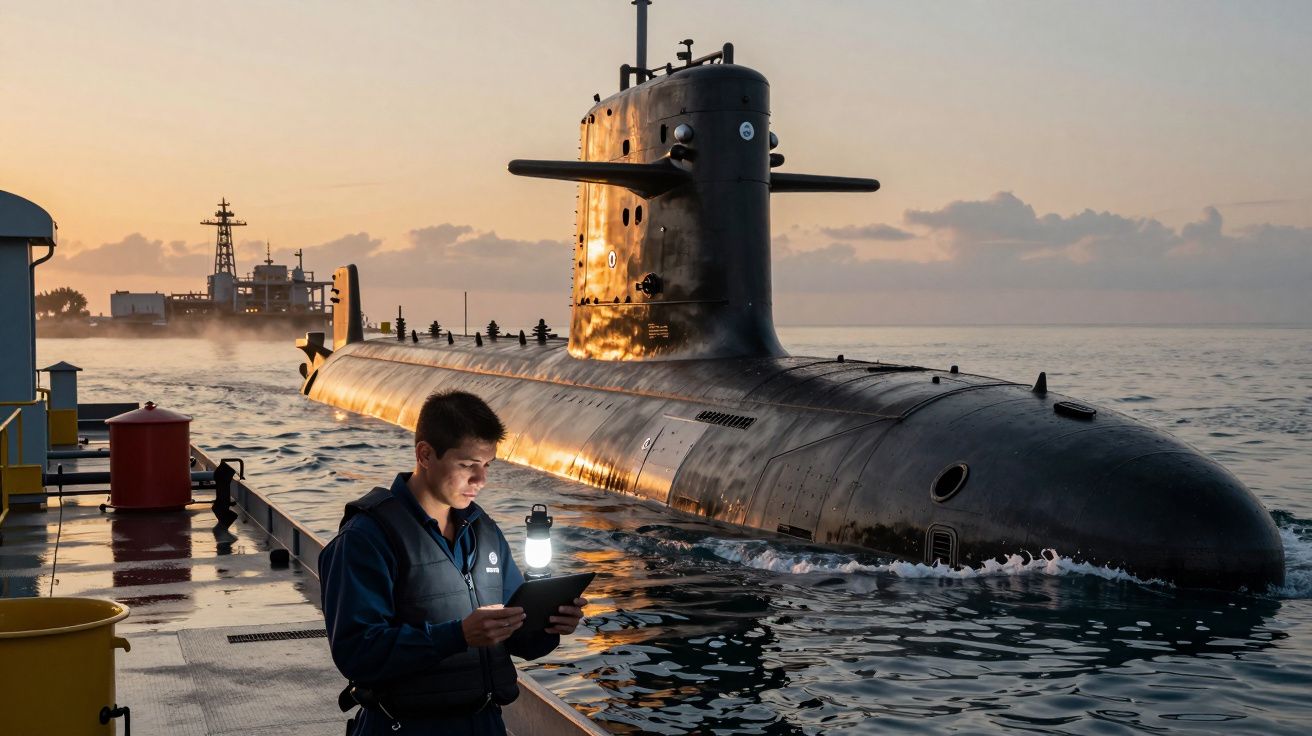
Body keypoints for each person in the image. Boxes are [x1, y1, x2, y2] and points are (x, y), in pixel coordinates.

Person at [320, 390, 588, 735]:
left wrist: (550, 626)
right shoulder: (366, 538)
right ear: (425, 454)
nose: (481, 480)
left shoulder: (484, 531)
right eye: (467, 466)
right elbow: (357, 653)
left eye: (487, 465)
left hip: (486, 724)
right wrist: (457, 635)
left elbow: (517, 639)